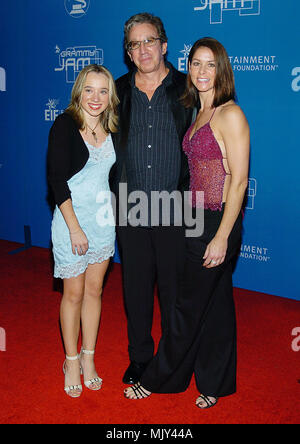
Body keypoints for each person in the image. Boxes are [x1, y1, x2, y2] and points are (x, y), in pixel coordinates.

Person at [124, 37, 250, 409]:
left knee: (185, 309)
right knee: (216, 306)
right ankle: (217, 382)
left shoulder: (230, 114)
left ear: (222, 70)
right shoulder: (199, 112)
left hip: (216, 221)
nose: (201, 71)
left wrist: (223, 236)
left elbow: (239, 180)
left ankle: (162, 378)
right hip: (195, 216)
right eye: (196, 63)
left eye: (210, 65)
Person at [109, 13, 194, 385]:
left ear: (163, 45)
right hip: (130, 205)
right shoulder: (118, 89)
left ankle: (173, 359)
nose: (142, 49)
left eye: (148, 41)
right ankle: (140, 358)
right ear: (128, 52)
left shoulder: (187, 88)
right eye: (134, 44)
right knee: (136, 290)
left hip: (174, 206)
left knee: (175, 293)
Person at [47, 64, 119, 398]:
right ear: (79, 91)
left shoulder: (113, 127)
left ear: (110, 96)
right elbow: (56, 180)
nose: (95, 97)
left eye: (103, 91)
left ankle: (89, 357)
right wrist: (75, 229)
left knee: (95, 292)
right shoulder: (64, 124)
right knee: (72, 294)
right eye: (89, 90)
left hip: (103, 222)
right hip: (71, 222)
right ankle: (71, 360)